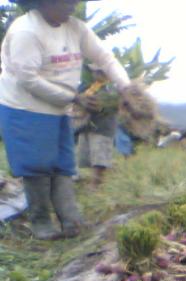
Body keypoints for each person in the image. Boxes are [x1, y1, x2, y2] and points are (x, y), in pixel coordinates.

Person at [0, 0, 130, 239]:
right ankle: (41, 224)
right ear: (45, 3)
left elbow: (104, 57)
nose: (73, 6)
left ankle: (71, 220)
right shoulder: (26, 32)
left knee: (62, 163)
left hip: (60, 107)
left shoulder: (76, 28)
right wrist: (74, 97)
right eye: (67, 2)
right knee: (37, 166)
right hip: (26, 107)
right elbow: (27, 79)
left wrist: (128, 88)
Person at [75, 64, 116, 187]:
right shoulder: (88, 87)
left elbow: (105, 106)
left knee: (99, 158)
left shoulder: (110, 90)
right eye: (94, 72)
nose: (95, 74)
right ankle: (93, 182)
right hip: (86, 126)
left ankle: (96, 184)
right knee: (87, 156)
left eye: (98, 72)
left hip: (102, 127)